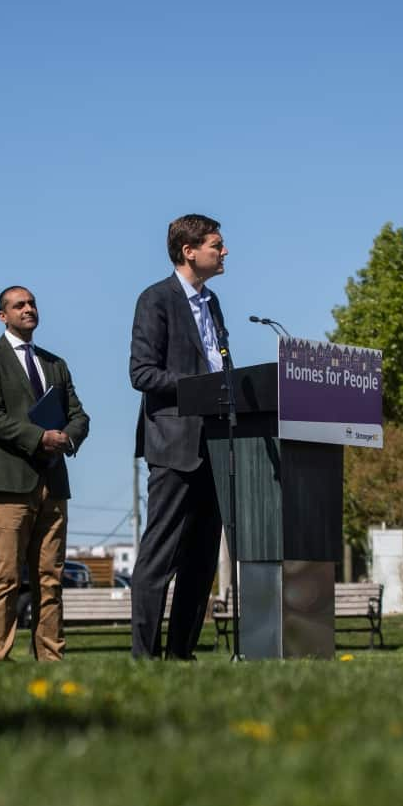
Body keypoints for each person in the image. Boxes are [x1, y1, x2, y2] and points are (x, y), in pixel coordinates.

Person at [0, 286, 89, 662]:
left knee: (50, 580)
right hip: (8, 483)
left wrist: (67, 437)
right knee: (4, 577)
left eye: (32, 303)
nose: (28, 309)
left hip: (53, 484)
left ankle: (50, 659)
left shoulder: (55, 364)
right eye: (19, 305)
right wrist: (40, 437)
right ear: (2, 315)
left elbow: (79, 414)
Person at [129, 213, 229, 660]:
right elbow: (142, 373)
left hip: (217, 446)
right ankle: (145, 659)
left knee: (202, 559)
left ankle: (181, 653)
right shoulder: (156, 300)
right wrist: (200, 387)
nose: (224, 252)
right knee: (159, 556)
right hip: (173, 444)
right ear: (189, 251)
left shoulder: (213, 303)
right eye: (216, 245)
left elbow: (218, 365)